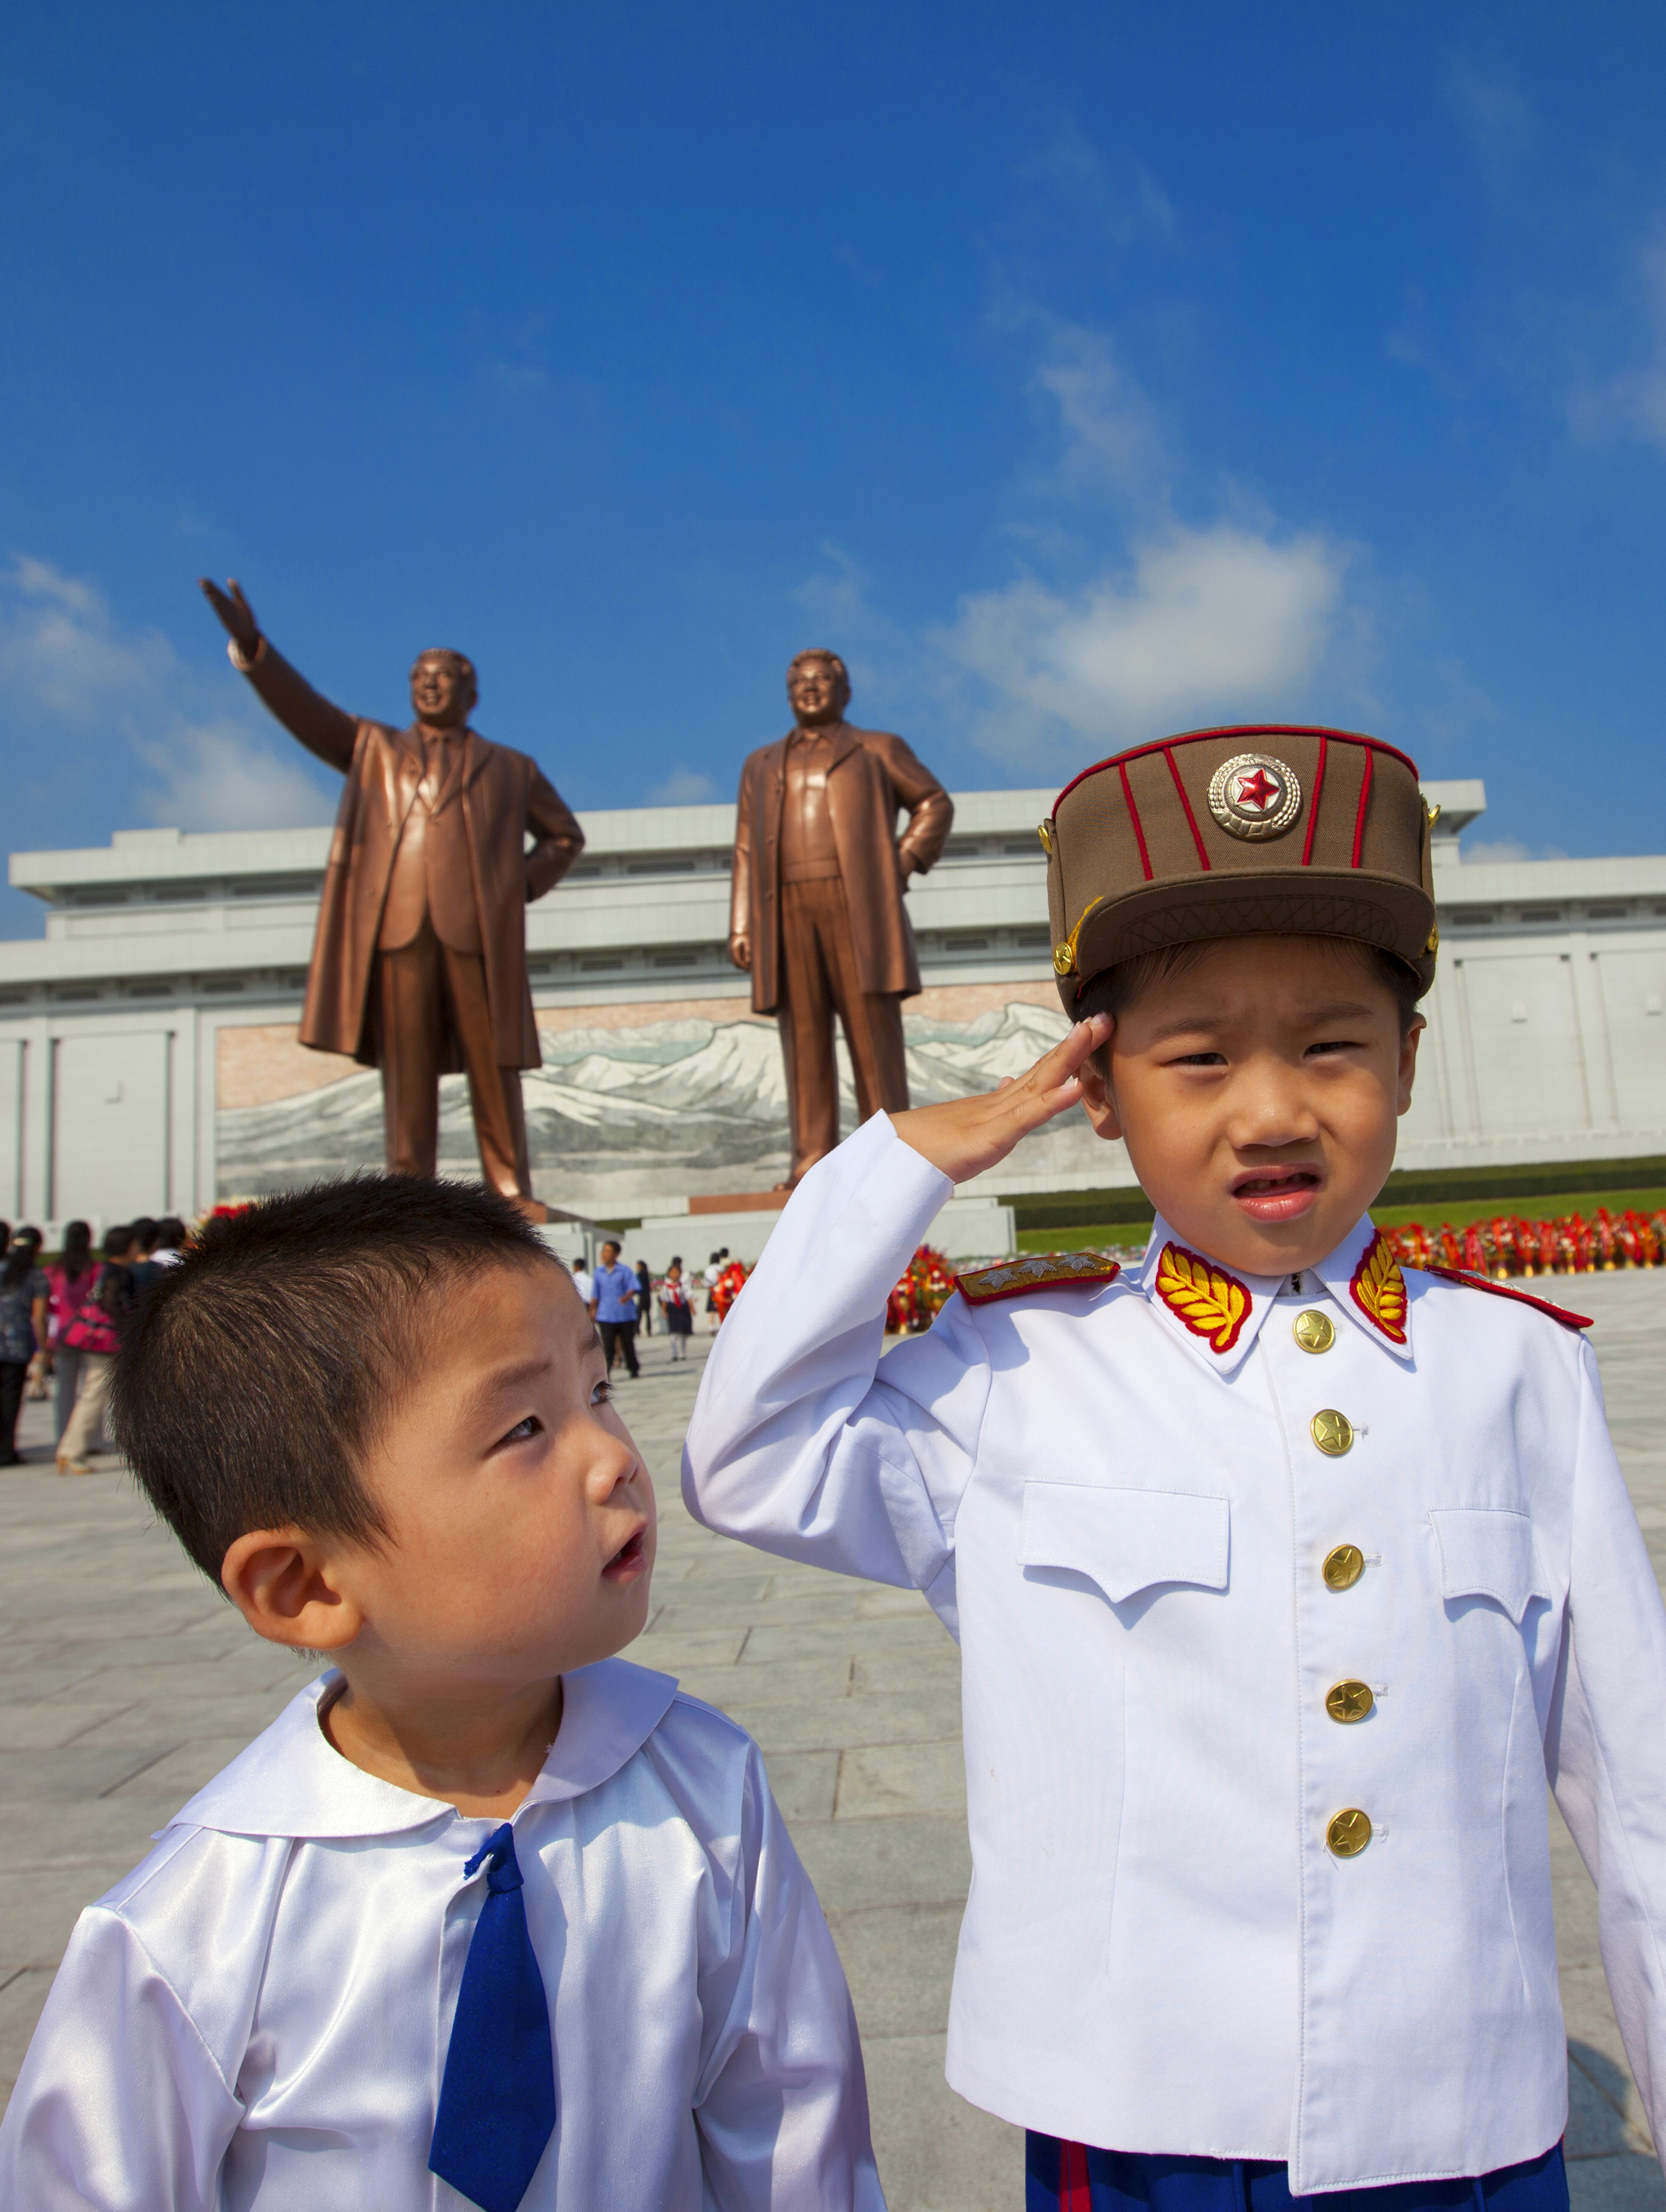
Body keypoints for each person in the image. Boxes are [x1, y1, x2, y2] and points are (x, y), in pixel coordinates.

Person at [685, 723, 1666, 2212]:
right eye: (1197, 1057)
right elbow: (747, 1455)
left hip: (1460, 2109)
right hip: (1135, 2117)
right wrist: (907, 1156)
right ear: (1097, 1085)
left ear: (1407, 1059)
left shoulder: (1517, 1367)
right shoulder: (1014, 1369)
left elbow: (1633, 1766)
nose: (1271, 1109)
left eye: (1333, 1044)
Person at [0, 1176, 882, 2209]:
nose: (611, 1459)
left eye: (595, 1393)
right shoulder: (188, 1933)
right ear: (306, 1584)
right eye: (522, 1431)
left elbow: (788, 2132)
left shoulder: (706, 1788)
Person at [200, 579, 585, 1208]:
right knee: (406, 1072)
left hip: (476, 932)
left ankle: (509, 1185)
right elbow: (307, 712)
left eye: (444, 676)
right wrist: (253, 647)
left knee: (495, 1068)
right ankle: (411, 1194)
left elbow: (565, 837)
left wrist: (509, 887)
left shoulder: (512, 768)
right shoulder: (373, 747)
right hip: (400, 926)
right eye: (419, 676)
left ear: (472, 692)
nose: (430, 684)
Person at [729, 650, 953, 1187]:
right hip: (785, 909)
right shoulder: (761, 764)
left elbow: (934, 803)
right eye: (800, 682)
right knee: (802, 1039)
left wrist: (897, 865)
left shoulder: (877, 749)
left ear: (845, 691)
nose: (810, 688)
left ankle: (891, 1155)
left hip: (858, 907)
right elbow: (742, 848)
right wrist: (742, 923)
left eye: (823, 680)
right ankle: (810, 1159)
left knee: (871, 1035)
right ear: (788, 694)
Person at [55, 1224, 140, 1475]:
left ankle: (71, 1449)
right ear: (128, 1247)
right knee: (93, 1395)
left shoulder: (106, 1269)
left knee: (91, 1393)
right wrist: (127, 1332)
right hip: (106, 1342)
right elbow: (111, 1303)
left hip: (95, 1340)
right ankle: (71, 1451)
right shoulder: (120, 1273)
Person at [45, 1221, 97, 1443]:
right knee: (91, 1389)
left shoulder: (53, 1270)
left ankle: (64, 1436)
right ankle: (89, 1438)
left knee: (65, 1387)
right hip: (89, 1334)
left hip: (63, 1334)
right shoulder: (95, 1269)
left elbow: (48, 1307)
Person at [0, 1234, 46, 1466]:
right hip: (17, 1347)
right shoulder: (36, 1277)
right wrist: (43, 1347)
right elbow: (39, 1318)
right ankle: (6, 1451)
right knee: (11, 1400)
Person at [592, 1238, 641, 1380]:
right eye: (604, 1251)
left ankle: (633, 1368)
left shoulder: (624, 1271)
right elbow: (596, 1293)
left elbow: (634, 1286)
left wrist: (627, 1296)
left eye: (608, 1251)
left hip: (624, 1314)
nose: (605, 1254)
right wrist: (592, 1309)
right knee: (607, 1346)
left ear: (616, 1254)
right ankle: (606, 1373)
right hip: (606, 1314)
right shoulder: (598, 1272)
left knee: (628, 1343)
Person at [660, 1258, 694, 1362]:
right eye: (673, 1272)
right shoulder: (666, 1287)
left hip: (682, 1309)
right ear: (669, 1274)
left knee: (684, 1333)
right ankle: (675, 1353)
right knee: (673, 1332)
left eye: (677, 1273)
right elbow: (665, 1300)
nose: (675, 1275)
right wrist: (664, 1310)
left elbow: (688, 1298)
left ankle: (683, 1353)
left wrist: (692, 1308)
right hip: (673, 1310)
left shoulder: (683, 1286)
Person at [634, 1259, 653, 1334]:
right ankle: (649, 1330)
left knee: (639, 1314)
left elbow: (638, 1287)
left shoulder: (639, 1275)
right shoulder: (647, 1275)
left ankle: (637, 1330)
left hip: (642, 1296)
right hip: (648, 1296)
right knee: (648, 1314)